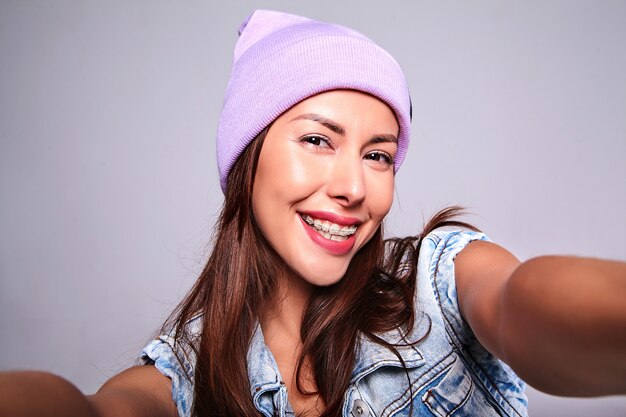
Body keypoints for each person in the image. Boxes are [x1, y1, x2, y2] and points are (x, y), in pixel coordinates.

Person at [1, 9, 625, 417]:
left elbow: (521, 303)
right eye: (318, 140)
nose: (354, 187)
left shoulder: (437, 282)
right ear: (249, 159)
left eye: (378, 155)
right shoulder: (188, 378)